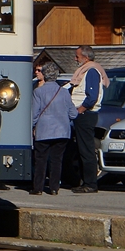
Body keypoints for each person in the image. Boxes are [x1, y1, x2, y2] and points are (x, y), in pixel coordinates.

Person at [31, 61, 77, 195]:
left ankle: (38, 188)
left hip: (44, 130)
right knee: (57, 160)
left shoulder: (38, 92)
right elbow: (73, 113)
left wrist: (33, 127)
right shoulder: (64, 92)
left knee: (41, 160)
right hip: (62, 131)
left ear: (44, 75)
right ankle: (54, 188)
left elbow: (34, 114)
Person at [69, 45, 109, 193]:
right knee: (80, 148)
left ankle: (91, 183)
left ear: (85, 57)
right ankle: (84, 181)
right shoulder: (84, 71)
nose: (75, 59)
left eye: (77, 56)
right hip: (82, 115)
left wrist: (80, 109)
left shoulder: (91, 71)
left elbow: (92, 97)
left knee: (86, 150)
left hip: (86, 115)